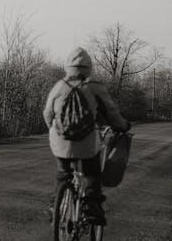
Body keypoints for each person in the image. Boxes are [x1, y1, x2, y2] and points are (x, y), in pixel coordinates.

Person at [43, 47, 129, 225]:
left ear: (67, 67)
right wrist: (123, 126)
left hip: (60, 143)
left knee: (63, 174)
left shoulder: (59, 86)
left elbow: (47, 114)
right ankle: (91, 208)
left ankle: (56, 208)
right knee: (92, 173)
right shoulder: (94, 87)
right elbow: (111, 113)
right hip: (87, 144)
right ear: (88, 68)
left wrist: (55, 131)